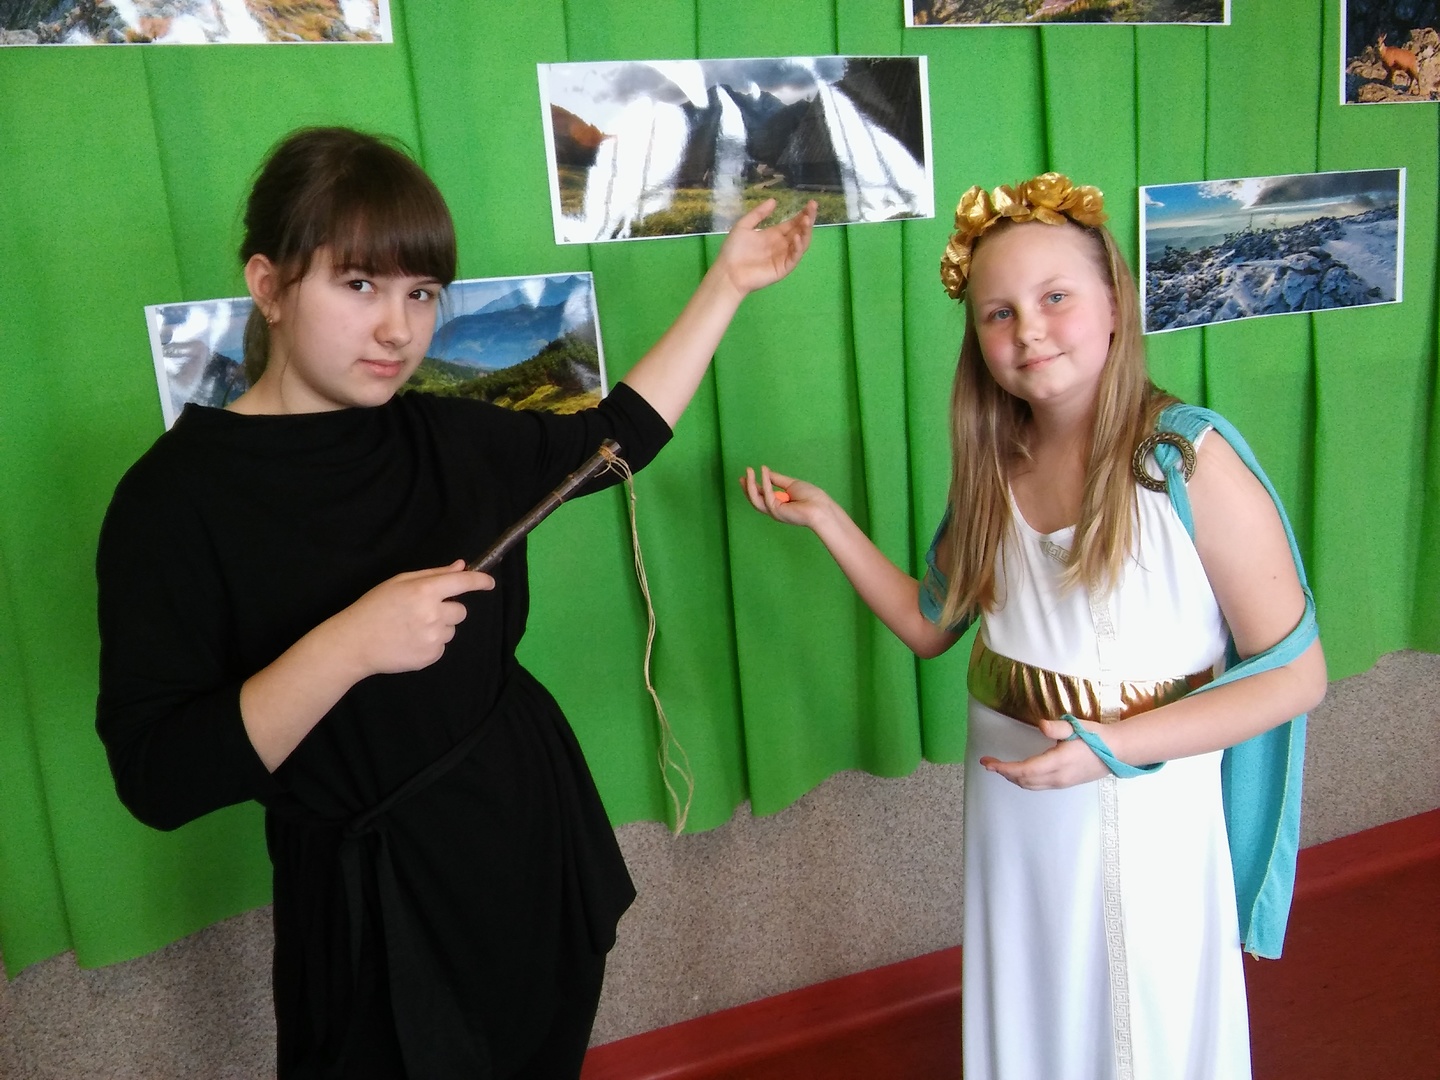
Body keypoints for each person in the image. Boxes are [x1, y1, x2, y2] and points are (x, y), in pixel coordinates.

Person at [96, 125, 816, 1080]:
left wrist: (726, 285)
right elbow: (159, 778)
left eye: (422, 292)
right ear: (268, 285)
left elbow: (616, 442)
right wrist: (347, 646)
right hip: (366, 902)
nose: (398, 330)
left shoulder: (450, 438)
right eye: (359, 285)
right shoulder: (173, 501)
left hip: (527, 839)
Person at [740, 172, 1325, 1079]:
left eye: (1055, 297)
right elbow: (931, 626)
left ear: (1114, 304)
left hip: (1139, 800)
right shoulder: (996, 467)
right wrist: (828, 522)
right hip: (1015, 806)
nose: (1029, 330)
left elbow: (1295, 675)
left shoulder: (1184, 460)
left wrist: (1112, 749)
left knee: (1135, 1021)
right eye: (999, 313)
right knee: (1034, 1002)